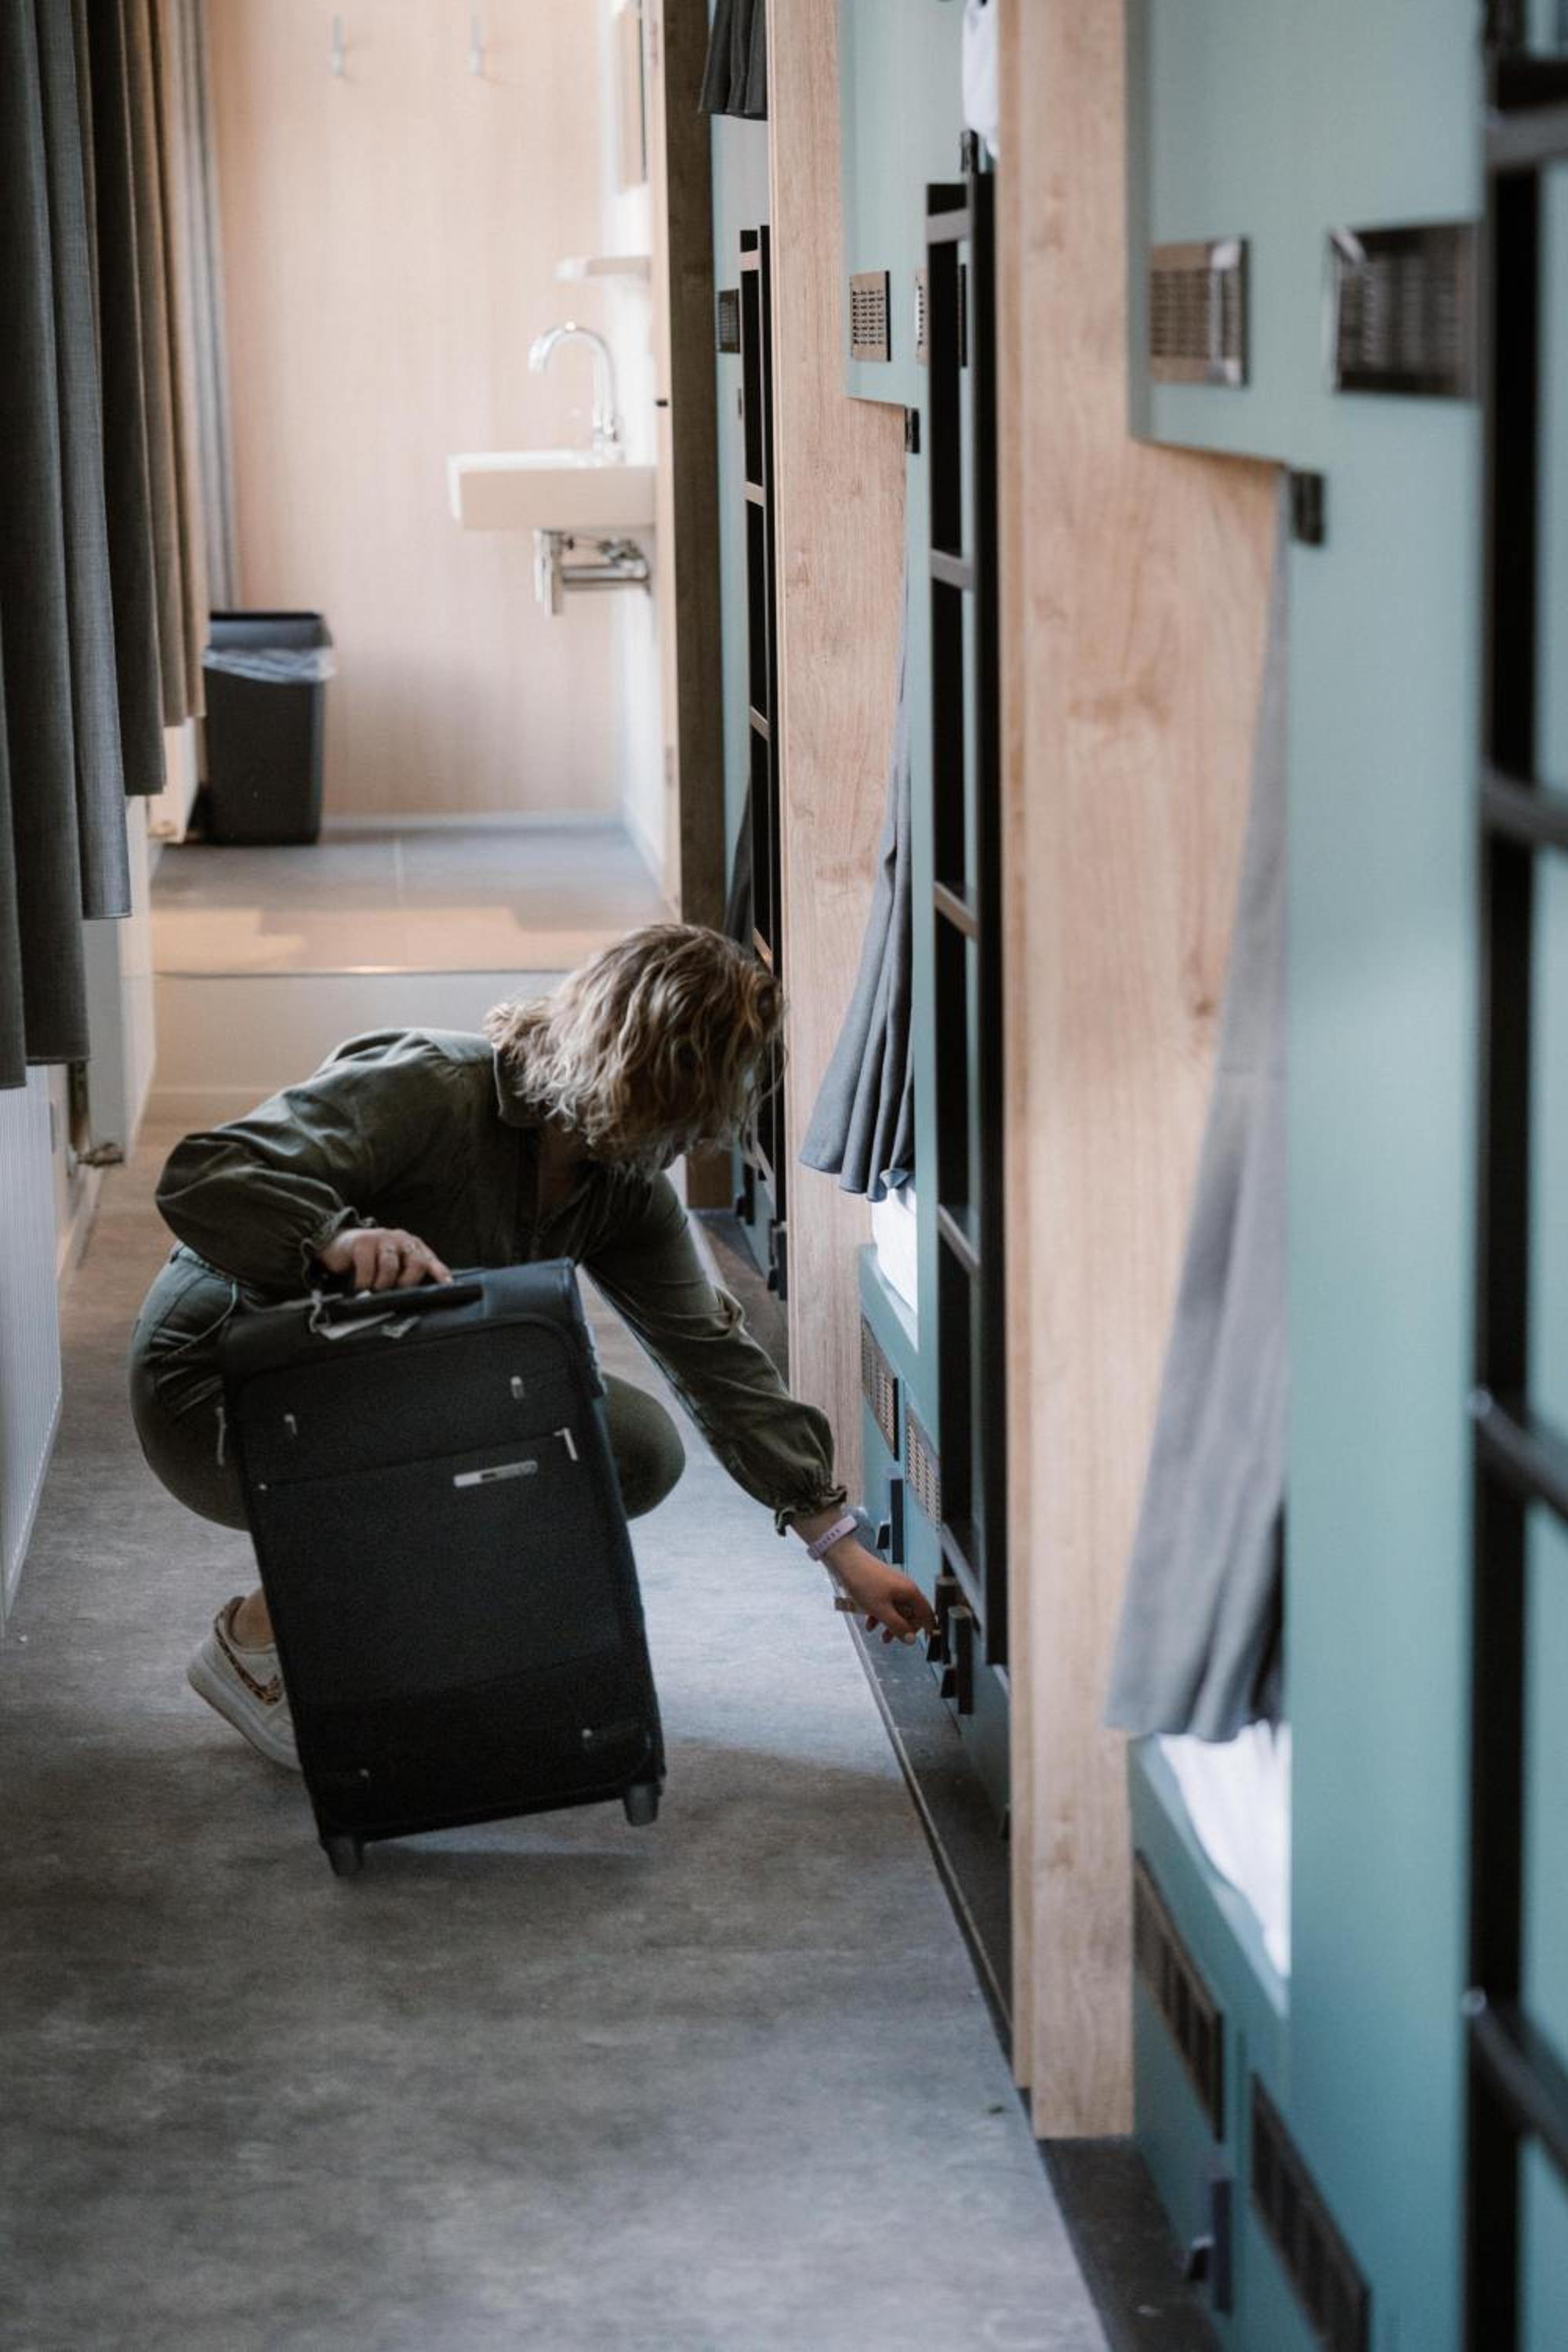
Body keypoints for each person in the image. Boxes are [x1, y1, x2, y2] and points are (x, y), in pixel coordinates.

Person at [129, 922, 937, 1769]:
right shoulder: (430, 1086)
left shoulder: (619, 1180)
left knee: (626, 1448)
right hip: (219, 1386)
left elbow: (715, 1359)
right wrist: (333, 1236)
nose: (696, 1136)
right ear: (625, 1056)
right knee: (479, 1430)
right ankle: (254, 1647)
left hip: (367, 1389)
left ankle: (382, 1641)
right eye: (685, 1100)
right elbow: (204, 1174)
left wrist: (839, 1549)